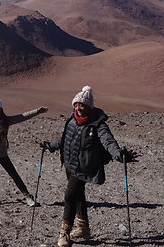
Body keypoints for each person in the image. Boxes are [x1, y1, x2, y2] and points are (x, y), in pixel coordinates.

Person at [41, 85, 137, 247]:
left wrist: (118, 154)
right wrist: (50, 146)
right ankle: (83, 228)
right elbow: (66, 138)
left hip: (84, 167)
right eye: (76, 105)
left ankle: (64, 233)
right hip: (70, 164)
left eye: (82, 105)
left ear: (89, 107)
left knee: (69, 196)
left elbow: (108, 141)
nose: (79, 108)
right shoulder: (72, 120)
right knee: (78, 195)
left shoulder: (98, 124)